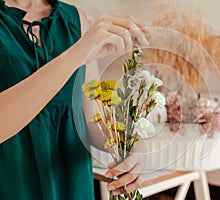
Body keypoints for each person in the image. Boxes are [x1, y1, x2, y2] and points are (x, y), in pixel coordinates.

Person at [0, 0, 148, 199]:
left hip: (71, 184)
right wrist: (77, 53)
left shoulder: (75, 18)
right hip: (12, 183)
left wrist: (129, 143)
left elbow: (91, 119)